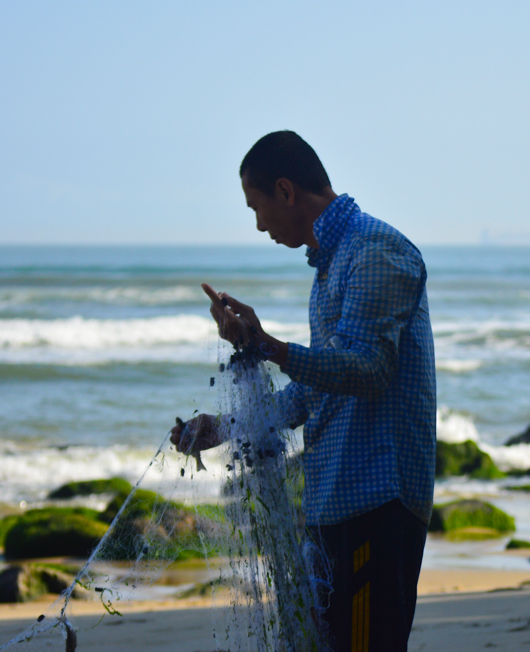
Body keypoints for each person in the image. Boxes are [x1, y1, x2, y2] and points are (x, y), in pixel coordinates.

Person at [170, 130, 436, 652]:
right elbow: (321, 392)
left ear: (286, 191)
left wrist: (269, 345)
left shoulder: (376, 251)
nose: (258, 223)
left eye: (257, 206)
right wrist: (221, 428)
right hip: (334, 500)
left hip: (376, 500)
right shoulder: (332, 266)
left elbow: (368, 369)